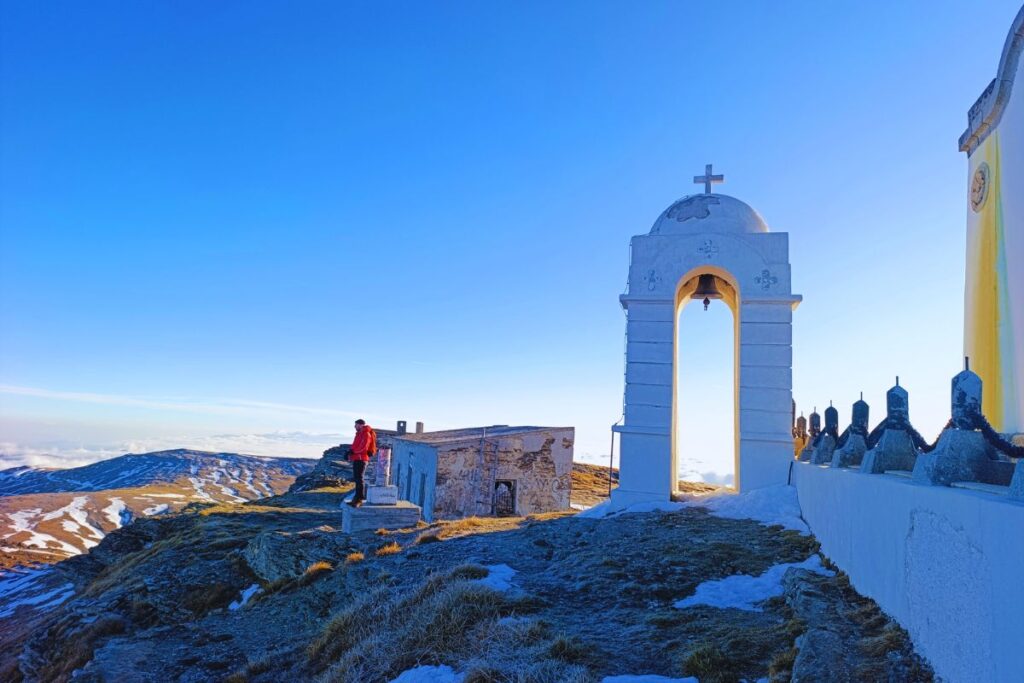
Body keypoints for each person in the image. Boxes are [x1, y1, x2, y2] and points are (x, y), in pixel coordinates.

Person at [346, 419, 377, 507]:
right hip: (357, 458)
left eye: (356, 425)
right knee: (357, 479)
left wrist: (353, 452)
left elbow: (364, 447)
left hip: (361, 459)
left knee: (359, 479)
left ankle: (359, 499)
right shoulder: (359, 434)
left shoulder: (366, 434)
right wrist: (350, 453)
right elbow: (356, 446)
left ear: (361, 425)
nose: (354, 426)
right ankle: (356, 499)